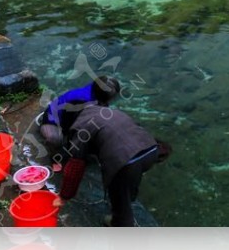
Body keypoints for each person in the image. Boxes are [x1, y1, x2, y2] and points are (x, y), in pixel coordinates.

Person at [47, 77, 171, 227]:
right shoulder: (110, 112)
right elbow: (133, 131)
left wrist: (64, 196)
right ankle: (129, 196)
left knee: (119, 197)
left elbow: (75, 167)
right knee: (130, 177)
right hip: (150, 150)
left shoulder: (80, 127)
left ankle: (121, 226)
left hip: (126, 162)